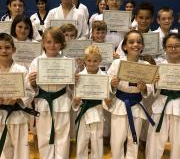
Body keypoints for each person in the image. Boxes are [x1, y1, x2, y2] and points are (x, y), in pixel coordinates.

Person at [105, 30, 154, 159]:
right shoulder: (117, 63)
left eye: (139, 42)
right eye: (131, 42)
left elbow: (149, 89)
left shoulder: (146, 65)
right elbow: (107, 82)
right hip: (120, 104)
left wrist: (144, 88)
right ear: (125, 46)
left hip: (137, 105)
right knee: (116, 140)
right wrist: (112, 83)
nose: (135, 44)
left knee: (134, 139)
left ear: (143, 46)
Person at [28, 27, 72, 159]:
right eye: (49, 42)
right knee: (44, 135)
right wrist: (32, 83)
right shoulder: (36, 62)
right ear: (43, 44)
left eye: (56, 42)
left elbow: (72, 88)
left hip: (62, 102)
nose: (52, 45)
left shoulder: (68, 62)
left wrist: (73, 81)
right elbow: (30, 89)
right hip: (43, 103)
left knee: (63, 137)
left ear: (62, 44)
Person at [0, 33, 38, 159]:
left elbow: (30, 91)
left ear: (14, 50)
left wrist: (18, 98)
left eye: (7, 47)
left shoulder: (22, 70)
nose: (3, 51)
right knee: (3, 150)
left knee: (21, 151)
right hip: (0, 117)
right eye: (0, 48)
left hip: (18, 116)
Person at [146, 33, 180, 159]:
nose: (173, 49)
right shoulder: (159, 66)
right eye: (170, 46)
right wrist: (155, 82)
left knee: (178, 143)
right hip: (161, 105)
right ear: (165, 48)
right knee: (154, 141)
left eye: (177, 46)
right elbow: (152, 91)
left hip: (179, 106)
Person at [72, 45, 109, 159]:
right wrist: (76, 102)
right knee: (82, 141)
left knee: (97, 141)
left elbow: (106, 98)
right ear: (84, 60)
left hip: (97, 111)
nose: (92, 63)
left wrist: (107, 101)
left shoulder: (104, 77)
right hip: (83, 112)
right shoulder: (79, 77)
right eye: (89, 60)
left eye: (95, 61)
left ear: (100, 61)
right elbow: (74, 99)